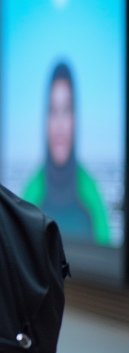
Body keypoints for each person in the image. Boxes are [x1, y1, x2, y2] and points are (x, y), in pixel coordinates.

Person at [22, 61, 111, 245]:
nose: (60, 124)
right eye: (53, 110)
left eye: (67, 110)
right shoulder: (29, 196)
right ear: (45, 120)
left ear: (76, 119)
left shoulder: (93, 199)